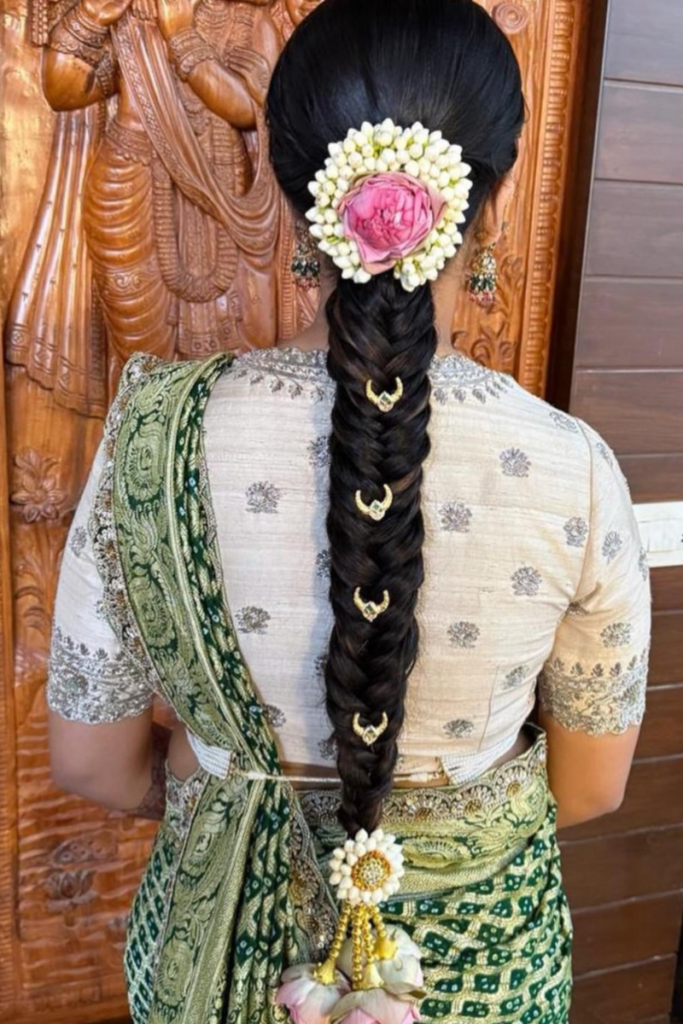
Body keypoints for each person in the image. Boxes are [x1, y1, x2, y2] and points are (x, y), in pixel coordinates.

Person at [46, 0, 652, 1021]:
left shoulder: (150, 437)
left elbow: (92, 761)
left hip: (216, 962)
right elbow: (589, 789)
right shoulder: (575, 470)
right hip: (477, 976)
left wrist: (232, 795)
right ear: (489, 210)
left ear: (297, 212)